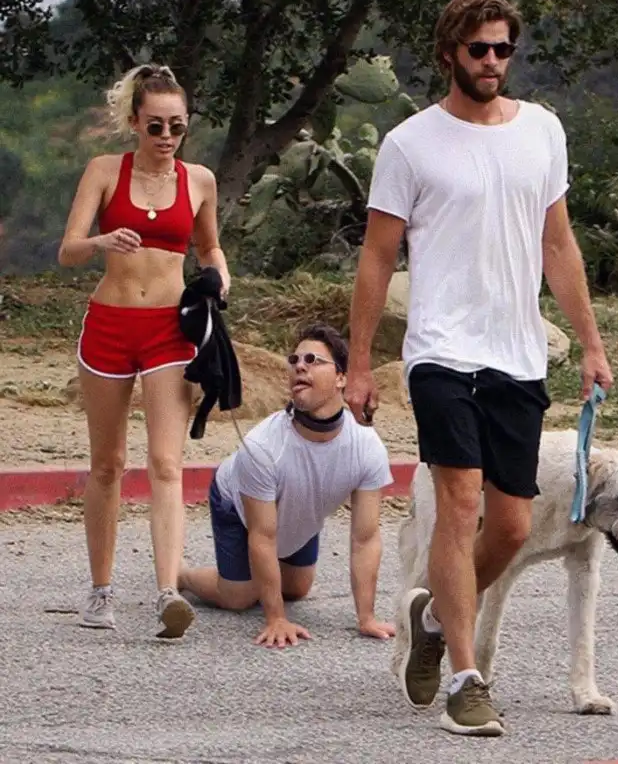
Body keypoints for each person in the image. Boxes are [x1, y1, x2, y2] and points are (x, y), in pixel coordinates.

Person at [344, 0, 614, 736]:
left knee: (514, 527)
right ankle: (467, 681)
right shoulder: (411, 144)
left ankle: (433, 618)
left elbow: (557, 243)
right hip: (440, 351)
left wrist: (590, 343)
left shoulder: (542, 130)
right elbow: (377, 257)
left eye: (503, 49)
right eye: (478, 49)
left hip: (517, 354)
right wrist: (360, 364)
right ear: (449, 55)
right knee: (459, 504)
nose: (492, 61)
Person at [57, 63, 231, 639]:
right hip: (109, 325)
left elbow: (209, 247)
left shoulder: (199, 180)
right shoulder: (105, 170)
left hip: (168, 330)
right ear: (134, 122)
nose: (166, 137)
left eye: (176, 126)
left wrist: (219, 279)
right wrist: (101, 239)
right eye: (155, 125)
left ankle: (166, 594)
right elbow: (68, 251)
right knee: (107, 463)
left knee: (166, 462)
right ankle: (100, 590)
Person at [178, 323, 396, 649]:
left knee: (297, 588)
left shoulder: (366, 445)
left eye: (313, 360)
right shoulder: (263, 446)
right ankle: (181, 574)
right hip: (236, 502)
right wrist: (276, 618)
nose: (299, 366)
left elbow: (365, 538)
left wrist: (366, 618)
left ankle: (262, 579)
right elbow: (262, 536)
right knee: (239, 596)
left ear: (341, 378)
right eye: (294, 360)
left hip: (298, 507)